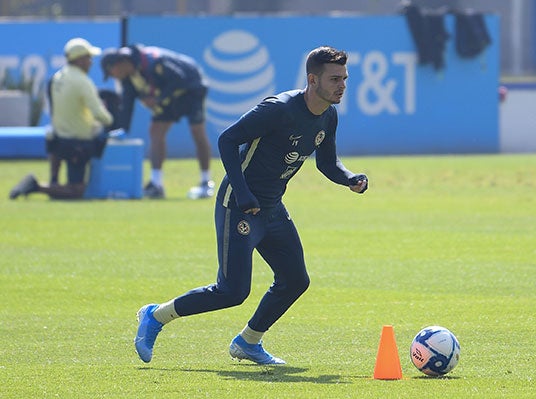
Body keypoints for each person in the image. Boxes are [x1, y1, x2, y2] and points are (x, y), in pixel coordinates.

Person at [133, 46, 369, 365]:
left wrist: (350, 178)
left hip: (272, 209)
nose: (342, 85)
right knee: (232, 291)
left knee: (295, 280)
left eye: (345, 78)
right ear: (313, 80)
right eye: (334, 79)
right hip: (239, 205)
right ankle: (156, 316)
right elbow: (227, 140)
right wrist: (243, 194)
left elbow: (327, 163)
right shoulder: (279, 109)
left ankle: (248, 342)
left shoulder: (328, 114)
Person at [101, 44, 214, 199]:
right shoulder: (128, 79)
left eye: (111, 72)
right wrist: (123, 130)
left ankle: (205, 182)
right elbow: (127, 105)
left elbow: (179, 79)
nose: (113, 77)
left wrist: (158, 99)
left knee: (197, 131)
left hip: (192, 89)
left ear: (119, 64)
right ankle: (156, 184)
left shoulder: (153, 62)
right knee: (155, 131)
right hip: (168, 95)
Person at [9, 38, 114, 200]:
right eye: (88, 58)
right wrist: (109, 118)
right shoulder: (83, 82)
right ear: (79, 60)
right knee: (77, 190)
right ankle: (36, 186)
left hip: (57, 139)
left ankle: (53, 183)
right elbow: (100, 115)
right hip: (78, 142)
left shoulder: (58, 77)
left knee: (64, 183)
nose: (91, 62)